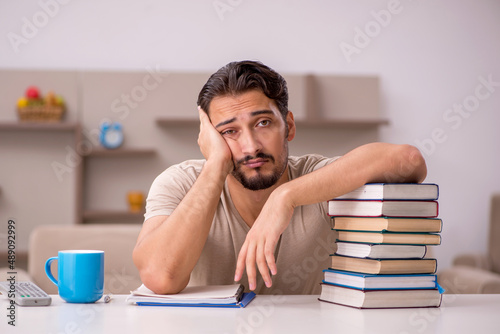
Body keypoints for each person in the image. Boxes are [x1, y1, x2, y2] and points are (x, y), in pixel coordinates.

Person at [132, 60, 427, 295]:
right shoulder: (180, 183)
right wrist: (215, 165)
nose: (251, 146)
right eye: (229, 132)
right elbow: (160, 278)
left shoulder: (317, 178)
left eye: (263, 123)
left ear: (288, 126)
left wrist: (285, 197)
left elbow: (409, 161)